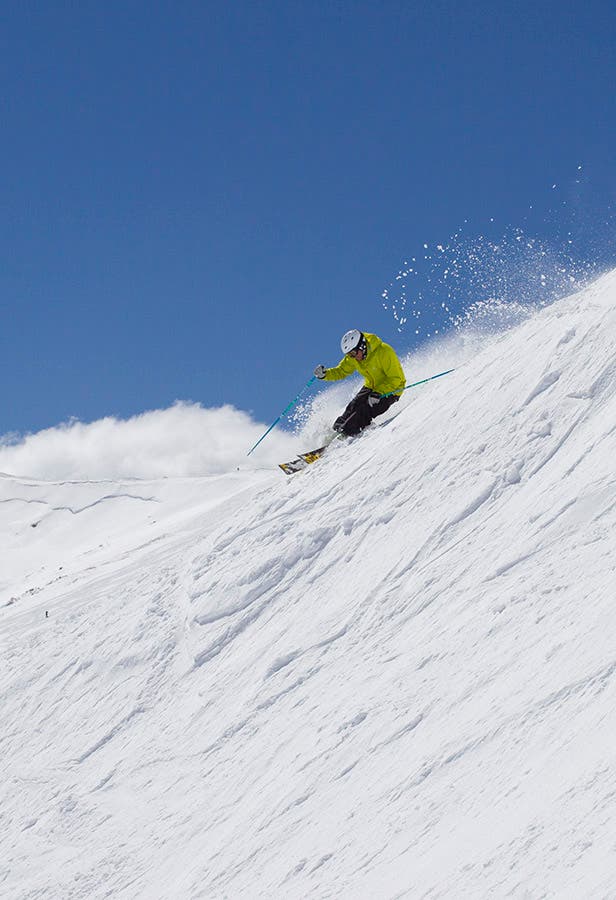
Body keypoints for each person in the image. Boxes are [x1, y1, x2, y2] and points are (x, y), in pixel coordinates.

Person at [314, 330, 406, 436]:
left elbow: (396, 378)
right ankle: (336, 433)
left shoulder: (384, 351)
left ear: (362, 345)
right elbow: (341, 371)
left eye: (353, 353)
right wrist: (325, 374)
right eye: (349, 354)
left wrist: (379, 392)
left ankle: (349, 434)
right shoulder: (353, 358)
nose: (353, 357)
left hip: (392, 389)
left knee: (363, 410)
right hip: (371, 386)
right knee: (352, 407)